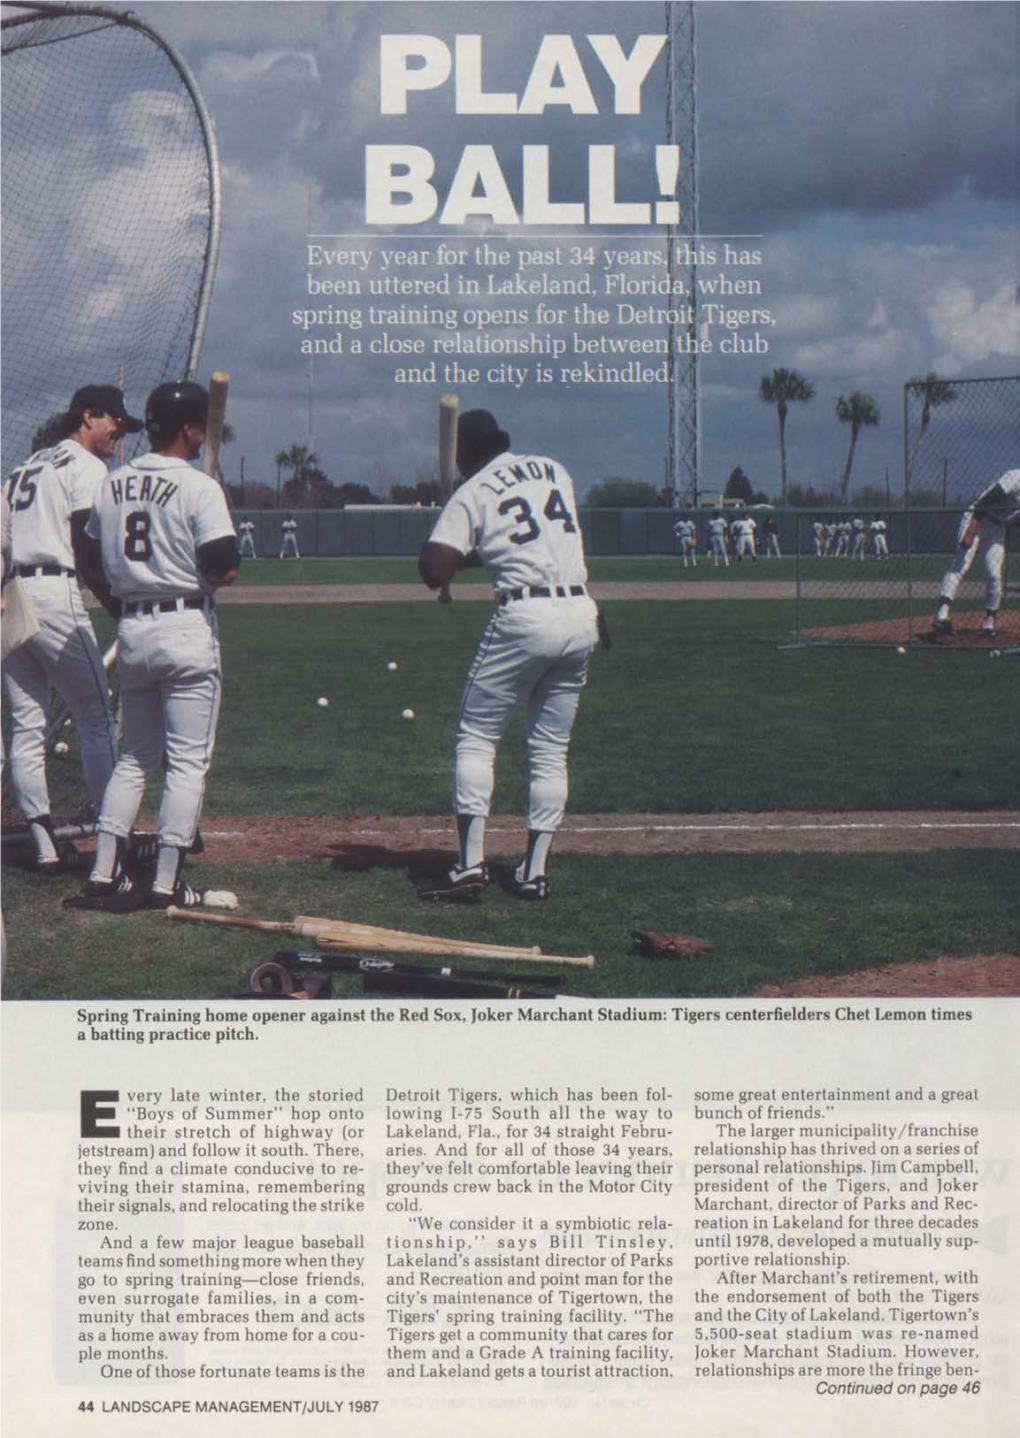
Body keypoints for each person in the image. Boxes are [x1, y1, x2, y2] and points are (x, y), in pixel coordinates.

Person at [416, 409, 599, 902]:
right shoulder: (553, 469)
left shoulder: (471, 490)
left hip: (525, 616)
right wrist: (465, 547)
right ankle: (534, 872)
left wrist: (447, 543)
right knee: (549, 749)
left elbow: (433, 570)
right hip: (581, 610)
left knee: (475, 736)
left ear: (463, 454)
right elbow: (531, 536)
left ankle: (469, 865)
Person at [78, 381, 240, 905]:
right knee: (188, 762)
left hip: (131, 627)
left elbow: (91, 555)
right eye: (200, 428)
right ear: (190, 429)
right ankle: (168, 882)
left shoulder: (112, 481)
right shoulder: (200, 486)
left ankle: (104, 871)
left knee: (134, 757)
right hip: (185, 625)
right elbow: (225, 568)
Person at [1, 384, 141, 873]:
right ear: (89, 416)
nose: (117, 433)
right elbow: (88, 550)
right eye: (114, 423)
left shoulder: (21, 469)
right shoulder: (85, 468)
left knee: (25, 726)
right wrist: (119, 604)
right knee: (96, 716)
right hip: (55, 592)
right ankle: (112, 837)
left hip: (11, 595)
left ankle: (43, 846)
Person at [933, 470, 1020, 639]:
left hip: (998, 529)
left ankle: (989, 625)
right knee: (960, 565)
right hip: (978, 519)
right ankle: (941, 617)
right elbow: (983, 503)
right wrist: (970, 532)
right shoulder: (1016, 477)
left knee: (995, 576)